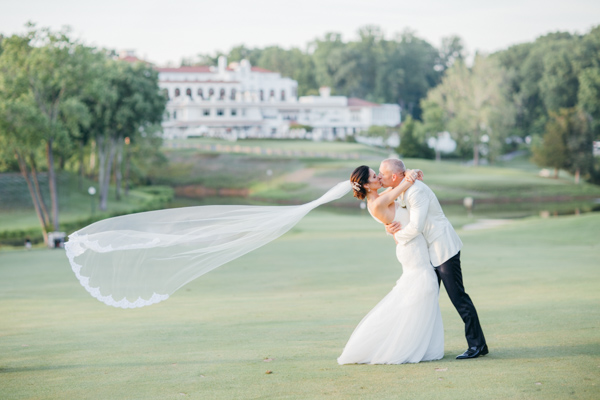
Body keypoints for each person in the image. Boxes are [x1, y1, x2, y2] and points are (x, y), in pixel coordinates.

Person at [379, 158, 488, 360]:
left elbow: (416, 227)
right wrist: (388, 227)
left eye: (382, 174)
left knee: (458, 297)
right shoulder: (404, 187)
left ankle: (477, 346)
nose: (378, 177)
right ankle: (421, 347)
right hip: (428, 251)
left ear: (393, 176)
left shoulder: (416, 191)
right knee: (426, 298)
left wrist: (396, 236)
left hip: (443, 247)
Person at [337, 166, 444, 365]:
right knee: (424, 288)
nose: (378, 177)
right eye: (374, 176)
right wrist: (410, 174)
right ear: (367, 185)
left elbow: (398, 188)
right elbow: (402, 185)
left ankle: (419, 342)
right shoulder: (377, 202)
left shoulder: (379, 198)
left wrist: (411, 172)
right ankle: (407, 344)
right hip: (411, 250)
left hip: (412, 246)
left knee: (422, 290)